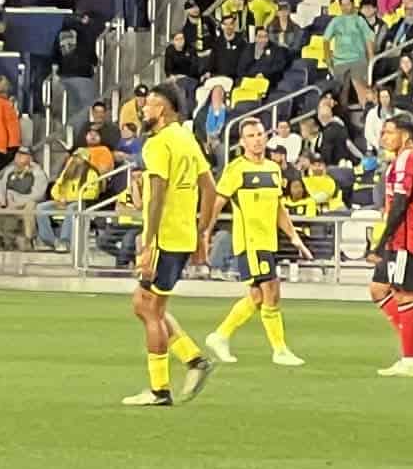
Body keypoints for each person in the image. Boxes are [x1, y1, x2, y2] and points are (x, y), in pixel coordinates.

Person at [124, 82, 217, 407]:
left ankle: (160, 388)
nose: (143, 110)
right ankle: (192, 360)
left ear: (161, 110)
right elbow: (210, 188)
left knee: (147, 307)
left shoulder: (159, 144)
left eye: (147, 105)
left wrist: (147, 243)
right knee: (149, 306)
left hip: (164, 238)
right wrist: (202, 231)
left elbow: (158, 195)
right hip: (182, 236)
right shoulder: (187, 137)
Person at [202, 119, 313, 368]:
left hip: (268, 240)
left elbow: (278, 208)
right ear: (242, 141)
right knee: (271, 290)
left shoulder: (274, 169)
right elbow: (219, 202)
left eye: (260, 134)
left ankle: (220, 336)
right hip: (250, 241)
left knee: (257, 295)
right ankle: (280, 350)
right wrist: (206, 231)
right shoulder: (236, 169)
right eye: (251, 135)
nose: (257, 139)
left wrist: (294, 237)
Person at [368, 110, 413, 377]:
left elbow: (400, 203)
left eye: (390, 132)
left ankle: (410, 359)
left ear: (405, 135)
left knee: (403, 295)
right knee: (378, 288)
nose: (384, 137)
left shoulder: (407, 160)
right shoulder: (408, 159)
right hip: (404, 235)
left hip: (405, 237)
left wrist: (381, 241)